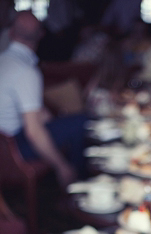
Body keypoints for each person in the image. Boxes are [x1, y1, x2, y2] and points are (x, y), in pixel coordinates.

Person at [0, 10, 87, 187]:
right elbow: (33, 132)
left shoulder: (3, 60)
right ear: (41, 34)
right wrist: (62, 167)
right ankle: (76, 185)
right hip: (11, 149)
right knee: (82, 121)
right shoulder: (26, 71)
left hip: (4, 141)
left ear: (10, 33)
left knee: (64, 123)